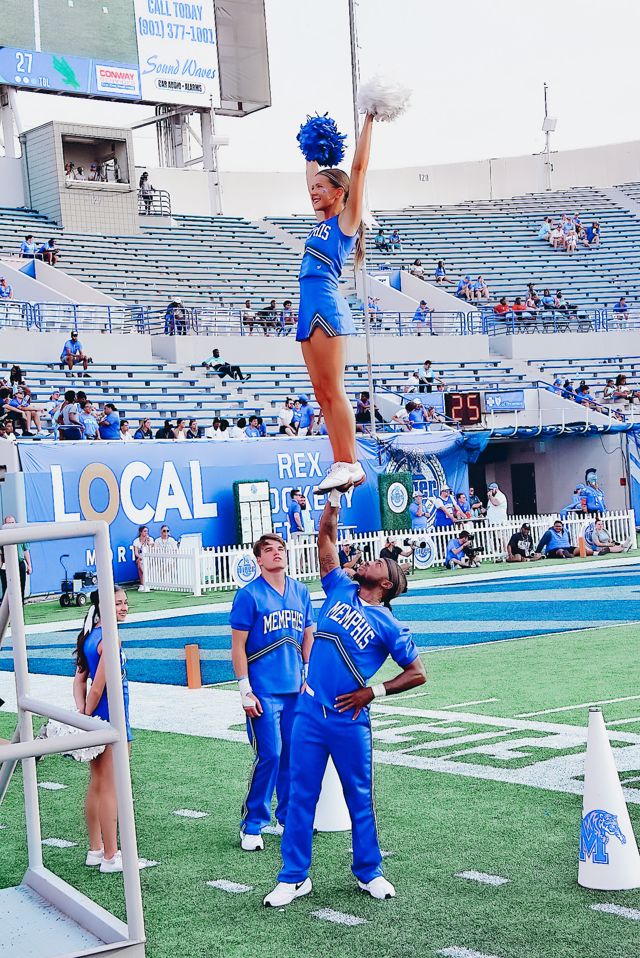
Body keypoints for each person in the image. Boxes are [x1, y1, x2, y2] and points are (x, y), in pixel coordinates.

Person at [264, 493, 426, 907]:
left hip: (349, 720)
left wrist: (374, 691)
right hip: (309, 710)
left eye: (379, 563)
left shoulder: (389, 624)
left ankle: (368, 871)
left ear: (386, 583)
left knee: (359, 795)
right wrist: (333, 502)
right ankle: (294, 876)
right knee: (300, 794)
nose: (370, 560)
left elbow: (418, 673)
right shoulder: (339, 585)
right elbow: (325, 538)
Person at [297, 113, 374, 493]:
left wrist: (370, 118)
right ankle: (339, 462)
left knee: (335, 388)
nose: (313, 191)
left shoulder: (346, 222)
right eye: (312, 188)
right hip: (305, 308)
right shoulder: (318, 221)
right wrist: (310, 147)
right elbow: (310, 170)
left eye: (320, 188)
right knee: (322, 393)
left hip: (327, 306)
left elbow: (358, 169)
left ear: (339, 193)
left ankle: (352, 462)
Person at [230, 533, 314, 851]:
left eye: (280, 549)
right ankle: (252, 824)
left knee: (293, 755)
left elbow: (308, 635)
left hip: (295, 688)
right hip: (263, 691)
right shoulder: (248, 596)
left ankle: (288, 819)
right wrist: (244, 689)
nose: (276, 554)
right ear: (259, 560)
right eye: (269, 550)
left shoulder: (300, 591)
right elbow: (237, 646)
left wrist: (309, 675)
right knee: (271, 754)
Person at [73, 586, 132, 873]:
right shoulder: (109, 638)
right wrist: (87, 714)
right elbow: (97, 687)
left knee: (97, 784)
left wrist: (83, 716)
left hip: (97, 720)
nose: (123, 607)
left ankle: (95, 849)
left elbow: (78, 683)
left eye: (125, 602)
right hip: (112, 721)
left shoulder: (88, 636)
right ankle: (111, 855)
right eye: (118, 603)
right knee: (110, 786)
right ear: (104, 605)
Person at [0, 515, 32, 600]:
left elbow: (25, 550)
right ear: (4, 524)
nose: (10, 525)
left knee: (21, 588)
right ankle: (7, 611)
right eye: (8, 523)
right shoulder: (2, 535)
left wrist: (29, 565)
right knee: (6, 589)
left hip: (20, 564)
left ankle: (20, 609)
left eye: (12, 523)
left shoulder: (21, 535)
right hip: (6, 565)